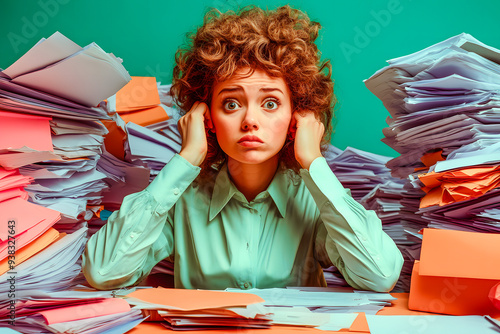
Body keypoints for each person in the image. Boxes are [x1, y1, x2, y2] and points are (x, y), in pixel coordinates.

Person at [82, 5, 403, 292]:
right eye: (231, 103)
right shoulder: (179, 201)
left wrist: (313, 160)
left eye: (271, 103)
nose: (250, 120)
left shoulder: (315, 201)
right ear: (207, 117)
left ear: (298, 115)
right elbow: (103, 272)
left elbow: (380, 274)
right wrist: (186, 158)